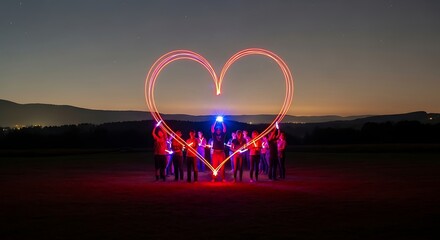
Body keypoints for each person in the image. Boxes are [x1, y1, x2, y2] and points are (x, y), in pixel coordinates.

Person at [211, 118, 227, 182]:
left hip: (221, 152)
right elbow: (212, 128)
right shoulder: (214, 135)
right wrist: (215, 121)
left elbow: (225, 129)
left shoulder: (222, 135)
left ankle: (223, 178)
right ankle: (214, 178)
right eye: (217, 129)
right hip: (215, 152)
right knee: (214, 166)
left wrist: (222, 122)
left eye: (219, 129)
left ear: (220, 130)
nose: (218, 130)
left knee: (222, 167)